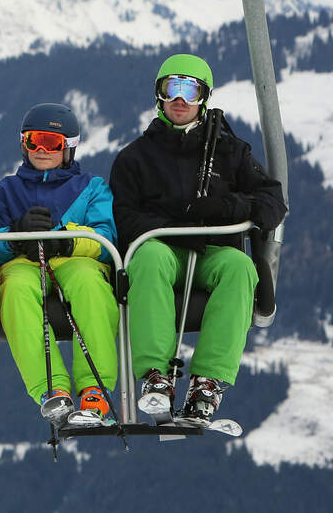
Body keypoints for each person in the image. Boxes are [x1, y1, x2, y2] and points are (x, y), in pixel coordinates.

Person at [109, 54, 286, 425]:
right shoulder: (135, 158)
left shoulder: (231, 153)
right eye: (171, 88)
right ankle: (156, 376)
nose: (180, 100)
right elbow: (124, 219)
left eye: (190, 90)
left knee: (239, 267)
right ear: (158, 95)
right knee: (150, 258)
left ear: (204, 98)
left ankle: (208, 380)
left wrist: (231, 207)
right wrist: (176, 224)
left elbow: (272, 203)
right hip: (163, 250)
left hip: (213, 253)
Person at [0, 103, 119, 428]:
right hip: (24, 263)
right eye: (34, 141)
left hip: (75, 260)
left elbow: (106, 237)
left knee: (89, 284)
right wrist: (15, 236)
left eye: (52, 142)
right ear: (23, 144)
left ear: (69, 147)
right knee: (15, 288)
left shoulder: (91, 188)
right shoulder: (6, 191)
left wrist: (67, 239)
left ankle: (94, 388)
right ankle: (51, 388)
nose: (42, 150)